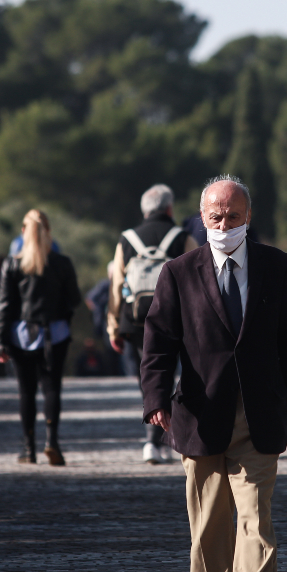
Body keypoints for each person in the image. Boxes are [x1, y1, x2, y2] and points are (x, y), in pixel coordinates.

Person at [140, 175, 287, 572]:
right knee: (208, 519)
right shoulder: (178, 272)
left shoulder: (277, 267)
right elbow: (157, 345)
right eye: (216, 216)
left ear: (248, 217)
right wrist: (155, 401)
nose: (224, 223)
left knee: (255, 512)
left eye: (233, 216)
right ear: (201, 216)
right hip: (199, 411)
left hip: (258, 414)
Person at [107, 184, 197, 464]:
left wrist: (113, 326)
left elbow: (117, 284)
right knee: (172, 376)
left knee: (148, 377)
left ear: (144, 210)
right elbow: (195, 281)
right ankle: (162, 438)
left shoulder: (127, 239)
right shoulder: (182, 237)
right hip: (175, 317)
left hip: (135, 320)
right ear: (169, 209)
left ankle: (151, 440)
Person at [0, 209, 81, 464]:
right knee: (52, 388)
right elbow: (74, 299)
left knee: (26, 391)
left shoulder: (12, 264)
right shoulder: (62, 262)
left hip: (22, 334)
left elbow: (4, 304)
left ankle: (28, 447)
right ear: (48, 231)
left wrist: (0, 340)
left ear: (23, 231)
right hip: (54, 333)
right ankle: (52, 441)